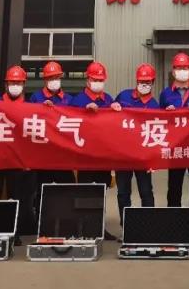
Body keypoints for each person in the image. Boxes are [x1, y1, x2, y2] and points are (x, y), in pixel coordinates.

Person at [159, 52, 189, 242]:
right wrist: (166, 112)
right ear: (173, 71)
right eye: (179, 68)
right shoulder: (166, 93)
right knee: (174, 188)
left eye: (185, 68)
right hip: (176, 148)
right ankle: (174, 225)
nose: (182, 71)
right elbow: (158, 119)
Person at [69, 61, 121, 241]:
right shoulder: (78, 100)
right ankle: (82, 228)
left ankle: (99, 227)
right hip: (84, 158)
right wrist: (84, 112)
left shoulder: (108, 100)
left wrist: (116, 110)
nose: (98, 83)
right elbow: (67, 120)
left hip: (103, 157)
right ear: (88, 80)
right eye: (95, 79)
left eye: (100, 80)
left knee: (100, 192)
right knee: (85, 192)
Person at [0, 64, 35, 245]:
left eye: (18, 83)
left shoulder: (31, 107)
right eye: (12, 83)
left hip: (17, 162)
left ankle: (14, 233)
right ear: (6, 84)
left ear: (24, 85)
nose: (15, 86)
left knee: (16, 197)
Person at [114, 63, 159, 225]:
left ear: (153, 82)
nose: (144, 84)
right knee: (123, 192)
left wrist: (154, 158)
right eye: (141, 81)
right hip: (123, 155)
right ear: (136, 80)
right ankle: (126, 226)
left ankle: (148, 225)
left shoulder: (154, 105)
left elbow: (157, 132)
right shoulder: (123, 96)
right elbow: (110, 118)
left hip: (143, 157)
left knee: (146, 191)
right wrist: (113, 107)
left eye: (148, 82)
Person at [29, 60, 74, 189]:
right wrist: (41, 109)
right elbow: (28, 120)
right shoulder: (36, 98)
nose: (54, 80)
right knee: (41, 190)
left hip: (63, 155)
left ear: (60, 78)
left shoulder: (69, 99)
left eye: (56, 77)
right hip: (42, 155)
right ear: (45, 80)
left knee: (66, 189)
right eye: (50, 78)